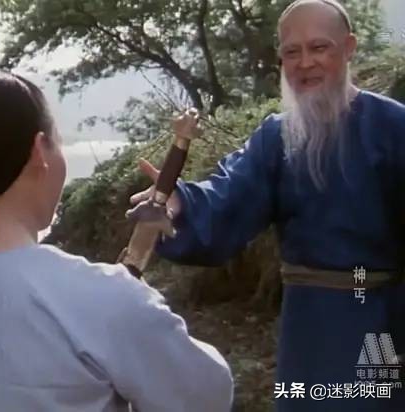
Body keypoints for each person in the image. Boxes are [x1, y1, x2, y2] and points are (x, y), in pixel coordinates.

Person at [0, 72, 233, 412]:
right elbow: (208, 396)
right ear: (39, 151)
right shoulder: (103, 298)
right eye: (58, 142)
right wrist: (141, 310)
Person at [129, 1, 405, 411]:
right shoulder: (276, 137)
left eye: (319, 48)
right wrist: (179, 203)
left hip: (379, 319)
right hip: (306, 328)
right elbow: (228, 196)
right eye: (292, 52)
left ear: (349, 48)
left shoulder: (394, 127)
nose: (305, 63)